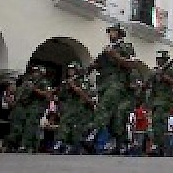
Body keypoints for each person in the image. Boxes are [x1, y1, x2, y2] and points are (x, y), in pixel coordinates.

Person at [88, 23, 137, 154]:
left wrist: (115, 55)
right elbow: (98, 65)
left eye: (113, 31)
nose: (110, 34)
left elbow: (132, 64)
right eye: (109, 32)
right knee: (113, 115)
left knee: (104, 106)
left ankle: (92, 133)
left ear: (120, 33)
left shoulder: (126, 47)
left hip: (117, 83)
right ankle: (118, 143)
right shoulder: (107, 48)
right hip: (104, 83)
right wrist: (93, 65)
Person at [54, 61, 95, 154]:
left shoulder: (82, 80)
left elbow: (85, 94)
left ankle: (75, 146)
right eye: (69, 69)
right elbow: (60, 95)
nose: (70, 71)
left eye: (72, 69)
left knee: (76, 128)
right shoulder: (66, 81)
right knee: (64, 124)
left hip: (79, 107)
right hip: (67, 107)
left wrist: (73, 85)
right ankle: (60, 143)